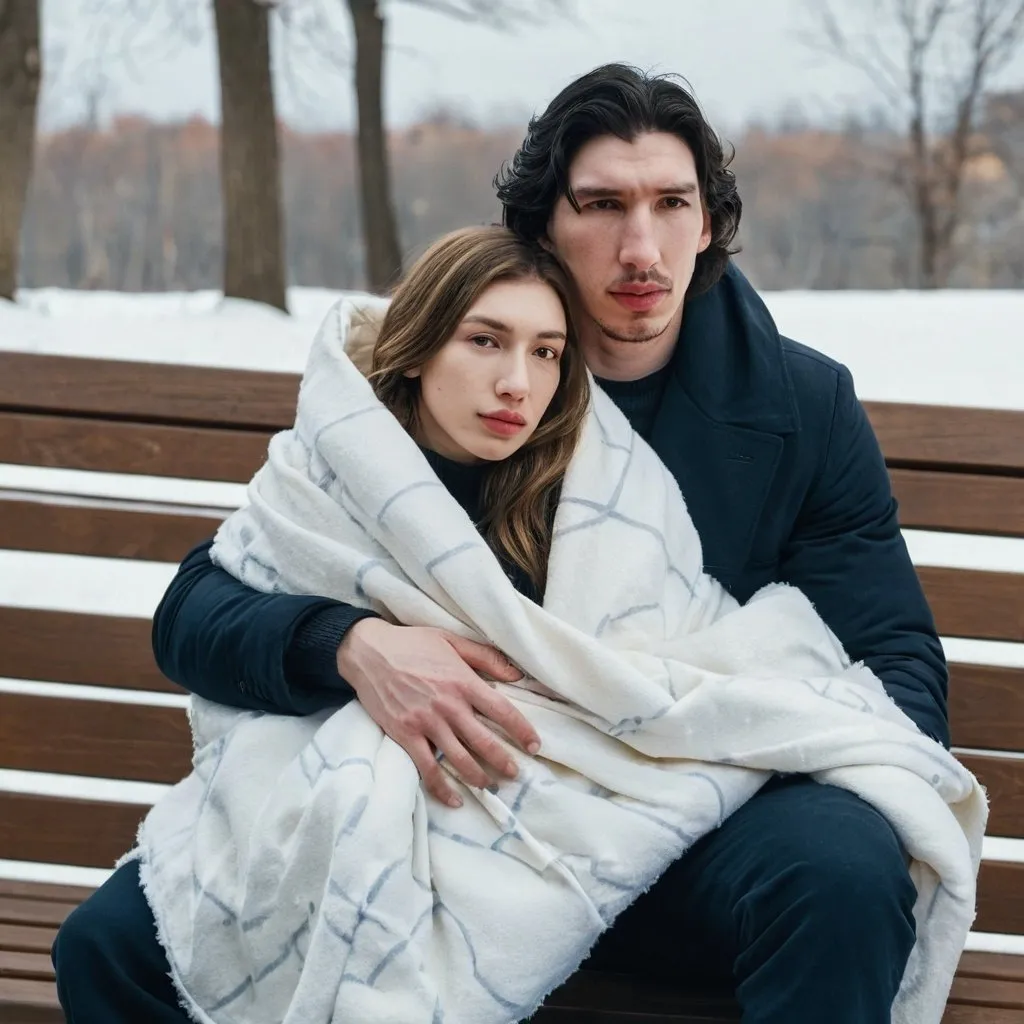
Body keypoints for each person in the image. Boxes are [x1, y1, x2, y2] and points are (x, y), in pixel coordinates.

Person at [54, 64, 947, 1024]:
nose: (640, 246)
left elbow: (892, 659)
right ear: (544, 226)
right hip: (466, 810)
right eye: (602, 204)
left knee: (841, 871)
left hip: (696, 813)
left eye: (671, 203)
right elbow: (201, 606)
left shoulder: (799, 405)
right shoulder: (448, 376)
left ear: (709, 222)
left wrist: (736, 754)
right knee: (113, 944)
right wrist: (349, 644)